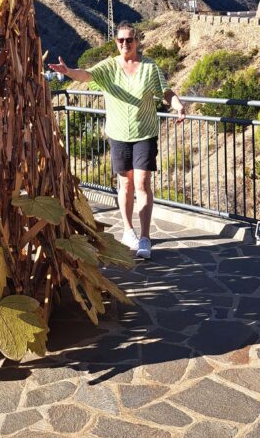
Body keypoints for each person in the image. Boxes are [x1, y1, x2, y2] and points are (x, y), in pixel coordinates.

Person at [49, 22, 186, 260]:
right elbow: (88, 75)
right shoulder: (110, 66)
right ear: (116, 43)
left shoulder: (149, 67)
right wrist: (68, 71)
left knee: (142, 182)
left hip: (144, 132)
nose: (125, 44)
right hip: (118, 133)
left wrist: (178, 106)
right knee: (126, 182)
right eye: (121, 40)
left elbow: (165, 91)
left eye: (129, 40)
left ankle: (145, 237)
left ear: (137, 41)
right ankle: (128, 231)